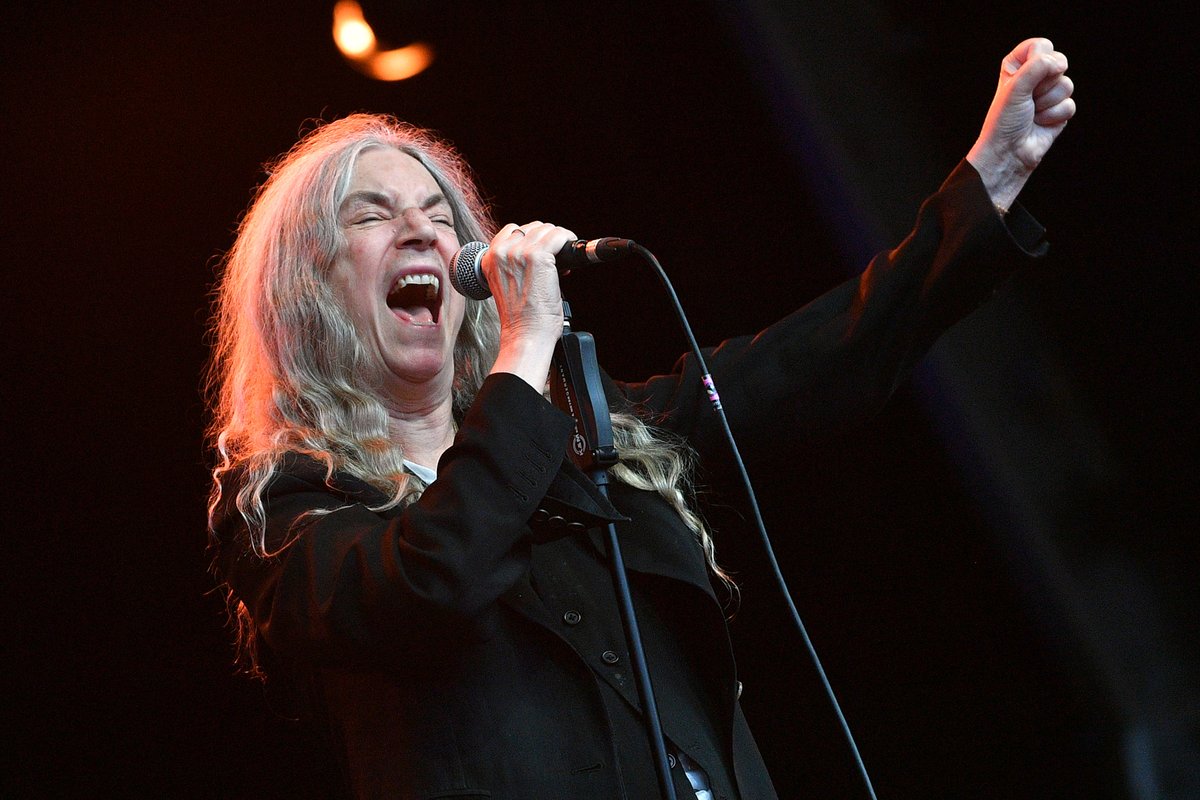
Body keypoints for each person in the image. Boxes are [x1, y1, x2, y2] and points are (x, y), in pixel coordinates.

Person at [207, 37, 1075, 800]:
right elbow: (432, 576)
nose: (424, 234)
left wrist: (985, 188)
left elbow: (801, 368)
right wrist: (527, 345)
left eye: (441, 215)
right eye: (374, 215)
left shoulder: (583, 430)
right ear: (307, 291)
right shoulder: (287, 508)